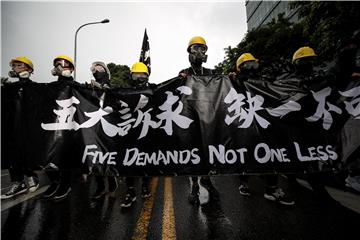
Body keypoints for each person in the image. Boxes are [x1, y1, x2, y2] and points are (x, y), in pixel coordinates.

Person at [233, 53, 295, 206]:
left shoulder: (265, 81)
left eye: (253, 64)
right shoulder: (237, 81)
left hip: (266, 123)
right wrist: (233, 80)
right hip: (248, 125)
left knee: (270, 153)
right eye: (247, 65)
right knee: (247, 154)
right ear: (240, 68)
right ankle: (244, 183)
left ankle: (272, 189)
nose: (251, 67)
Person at [178, 36, 215, 205]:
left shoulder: (210, 73)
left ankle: (206, 176)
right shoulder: (184, 73)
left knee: (207, 149)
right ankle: (194, 185)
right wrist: (180, 79)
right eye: (195, 49)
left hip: (207, 119)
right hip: (191, 120)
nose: (199, 52)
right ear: (189, 52)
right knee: (194, 152)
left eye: (203, 49)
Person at [1, 57, 40, 199]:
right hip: (12, 128)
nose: (16, 68)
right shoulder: (8, 89)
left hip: (29, 128)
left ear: (29, 69)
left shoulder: (36, 87)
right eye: (14, 66)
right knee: (11, 154)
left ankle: (32, 176)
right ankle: (18, 183)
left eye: (20, 65)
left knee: (27, 152)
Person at [42, 55, 75, 201]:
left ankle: (65, 185)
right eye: (57, 64)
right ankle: (55, 182)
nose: (60, 67)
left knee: (66, 156)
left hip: (69, 128)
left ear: (71, 69)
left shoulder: (76, 86)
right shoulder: (50, 87)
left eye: (64, 64)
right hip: (53, 127)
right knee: (47, 155)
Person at [120, 62, 153, 208]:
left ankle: (145, 185)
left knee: (146, 161)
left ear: (147, 76)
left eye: (142, 74)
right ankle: (130, 191)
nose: (139, 77)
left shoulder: (153, 90)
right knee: (129, 163)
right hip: (130, 133)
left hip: (147, 133)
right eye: (136, 74)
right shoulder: (126, 92)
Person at [86, 61, 118, 199]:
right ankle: (99, 186)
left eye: (100, 68)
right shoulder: (90, 88)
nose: (96, 70)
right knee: (94, 157)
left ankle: (111, 183)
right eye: (95, 68)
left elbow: (115, 103)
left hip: (106, 126)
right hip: (93, 127)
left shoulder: (110, 87)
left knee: (106, 156)